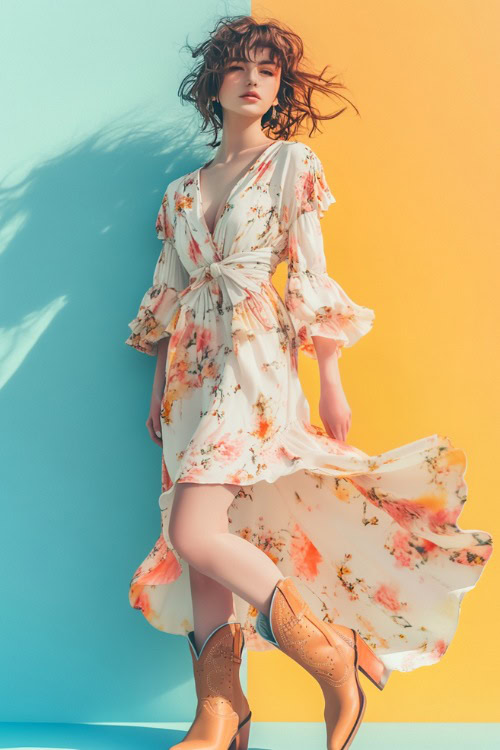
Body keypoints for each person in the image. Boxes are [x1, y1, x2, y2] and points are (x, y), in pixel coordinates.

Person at [124, 15, 493, 750]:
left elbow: (312, 277)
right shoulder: (178, 193)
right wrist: (157, 388)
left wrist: (330, 377)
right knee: (201, 548)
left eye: (268, 67)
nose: (254, 77)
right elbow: (166, 294)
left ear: (281, 86)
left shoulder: (293, 163)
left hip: (256, 356)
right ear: (215, 84)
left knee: (193, 531)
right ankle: (220, 717)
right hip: (191, 371)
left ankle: (332, 653)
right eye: (239, 66)